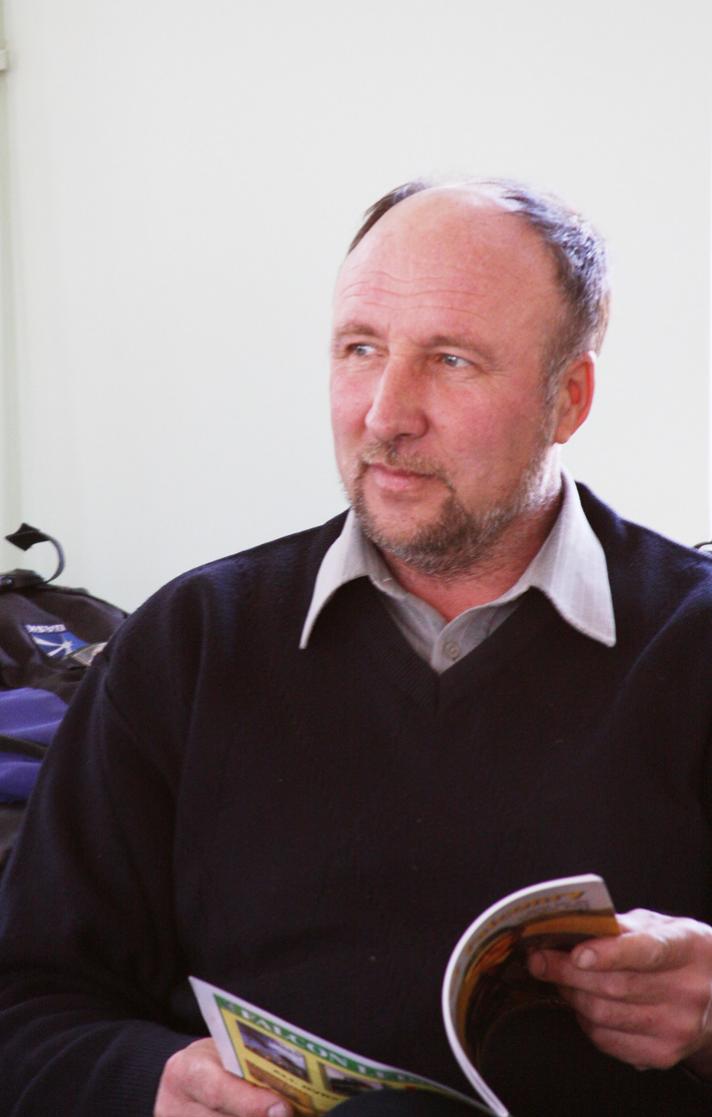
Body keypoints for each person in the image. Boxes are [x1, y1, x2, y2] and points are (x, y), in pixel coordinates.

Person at [1, 178, 712, 1117]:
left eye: (452, 360)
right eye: (361, 348)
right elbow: (26, 1008)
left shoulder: (694, 646)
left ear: (568, 398)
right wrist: (150, 1084)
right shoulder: (189, 644)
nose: (384, 413)